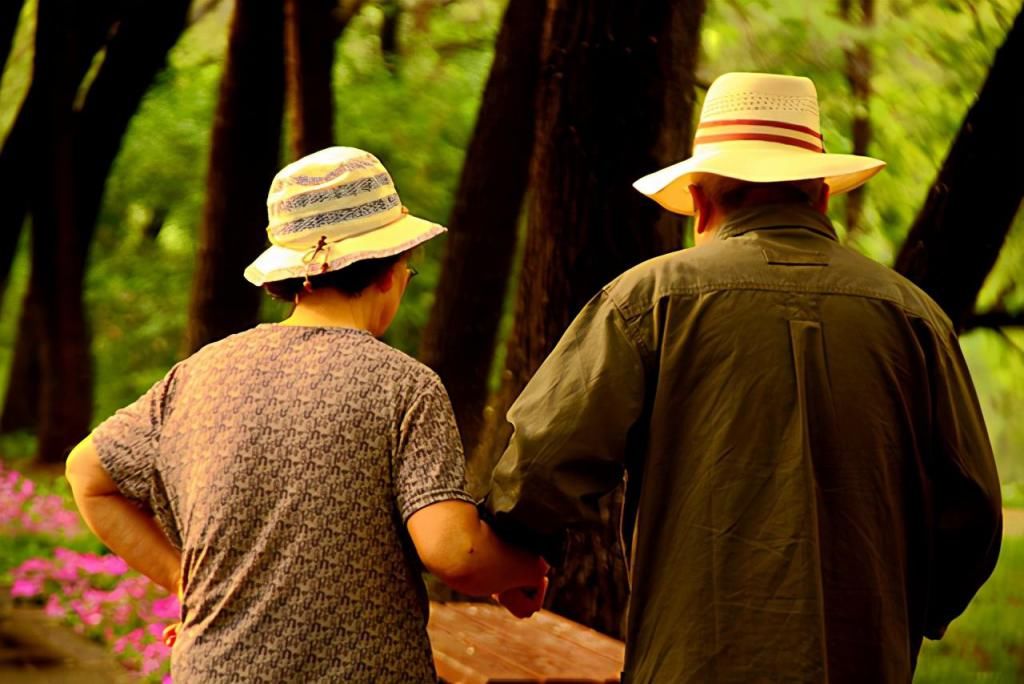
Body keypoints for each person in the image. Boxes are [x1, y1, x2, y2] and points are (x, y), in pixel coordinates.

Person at [483, 73, 1002, 682]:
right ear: (822, 197)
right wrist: (899, 613)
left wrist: (518, 552)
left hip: (692, 664)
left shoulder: (649, 301)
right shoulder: (914, 317)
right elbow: (973, 512)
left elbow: (543, 463)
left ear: (700, 201)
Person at [66, 146, 547, 683]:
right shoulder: (404, 386)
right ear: (388, 270)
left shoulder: (200, 372)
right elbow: (455, 551)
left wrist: (186, 585)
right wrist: (522, 568)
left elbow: (87, 474)